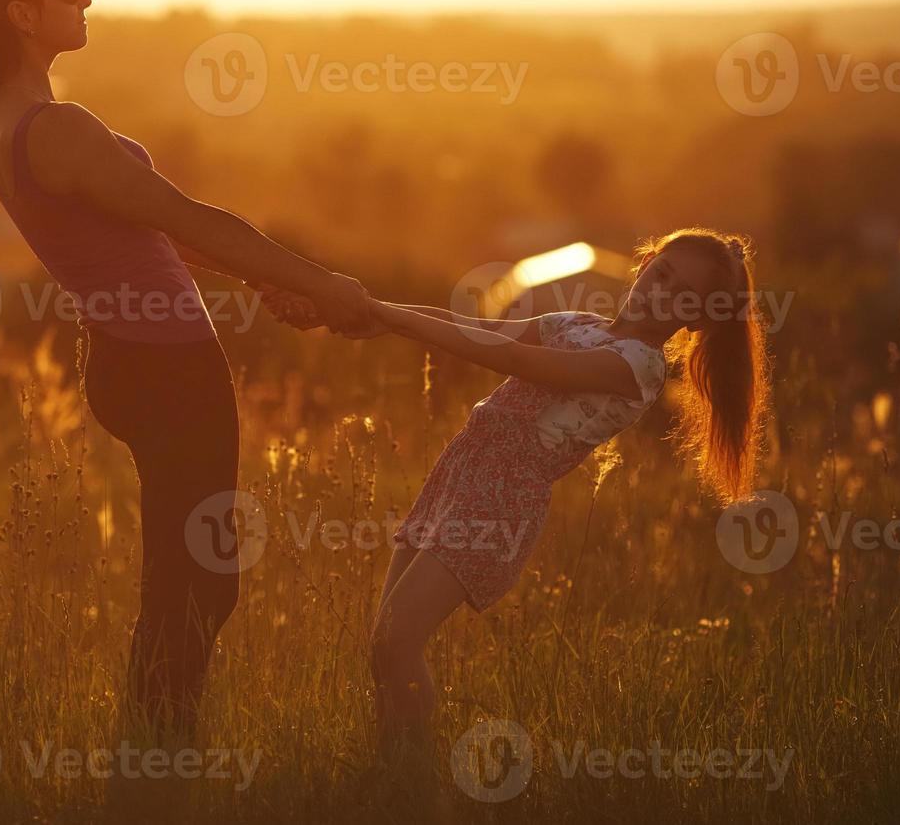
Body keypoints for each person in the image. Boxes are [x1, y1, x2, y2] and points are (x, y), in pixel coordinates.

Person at [0, 0, 369, 741]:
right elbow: (187, 217)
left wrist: (266, 281)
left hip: (126, 359)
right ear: (21, 13)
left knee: (185, 575)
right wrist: (327, 283)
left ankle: (153, 751)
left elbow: (149, 235)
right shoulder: (55, 126)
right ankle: (155, 755)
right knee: (200, 584)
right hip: (170, 369)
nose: (85, 1)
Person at [285, 229, 772, 762]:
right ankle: (390, 769)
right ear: (646, 263)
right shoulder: (575, 323)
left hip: (500, 501)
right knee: (384, 647)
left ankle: (415, 779)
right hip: (459, 474)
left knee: (397, 639)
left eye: (683, 295)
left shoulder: (639, 367)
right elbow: (476, 330)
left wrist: (387, 316)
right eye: (661, 273)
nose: (661, 292)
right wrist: (357, 310)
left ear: (697, 319)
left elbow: (514, 360)